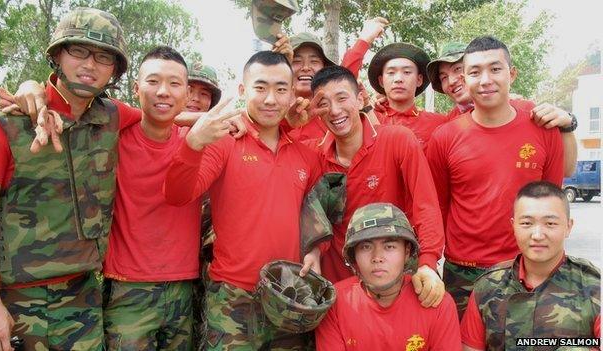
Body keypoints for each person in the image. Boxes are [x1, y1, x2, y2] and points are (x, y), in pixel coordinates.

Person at [0, 7, 136, 350]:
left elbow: (163, 116)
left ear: (114, 70)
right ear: (57, 55)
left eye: (103, 56)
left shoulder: (111, 116)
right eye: (78, 50)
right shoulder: (3, 124)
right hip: (17, 300)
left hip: (83, 297)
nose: (89, 64)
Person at [164, 50, 323, 349]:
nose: (270, 99)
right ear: (242, 90)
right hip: (232, 296)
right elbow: (177, 195)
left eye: (280, 90)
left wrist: (316, 250)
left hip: (289, 294)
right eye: (260, 88)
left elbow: (316, 215)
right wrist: (194, 143)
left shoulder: (306, 156)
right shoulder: (224, 141)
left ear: (291, 95)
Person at [425, 36, 565, 318]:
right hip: (463, 271)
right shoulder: (444, 138)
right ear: (465, 77)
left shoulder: (544, 130)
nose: (485, 79)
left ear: (511, 73)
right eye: (475, 72)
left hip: (525, 266)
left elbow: (552, 203)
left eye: (495, 69)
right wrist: (428, 261)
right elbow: (435, 206)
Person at [308, 65, 445, 307]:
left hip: (396, 278)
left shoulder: (397, 140)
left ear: (360, 98)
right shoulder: (312, 154)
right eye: (324, 103)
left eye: (342, 98)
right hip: (339, 284)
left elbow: (426, 204)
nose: (335, 110)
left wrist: (428, 262)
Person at [101, 46, 199, 350]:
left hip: (184, 287)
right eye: (153, 81)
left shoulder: (198, 142)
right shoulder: (111, 137)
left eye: (174, 83)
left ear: (186, 93)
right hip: (127, 289)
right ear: (136, 88)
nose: (163, 92)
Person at [460, 181, 600, 350]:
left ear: (568, 227)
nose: (537, 235)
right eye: (527, 223)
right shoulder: (488, 287)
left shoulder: (594, 287)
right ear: (513, 226)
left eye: (550, 224)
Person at [316, 203, 461, 350]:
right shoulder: (334, 303)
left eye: (389, 246)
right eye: (366, 247)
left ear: (406, 252)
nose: (377, 257)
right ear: (354, 256)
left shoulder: (436, 303)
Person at [426, 42, 578, 176]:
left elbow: (565, 171)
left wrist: (568, 124)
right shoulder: (447, 129)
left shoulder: (528, 112)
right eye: (443, 77)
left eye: (457, 69)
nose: (452, 81)